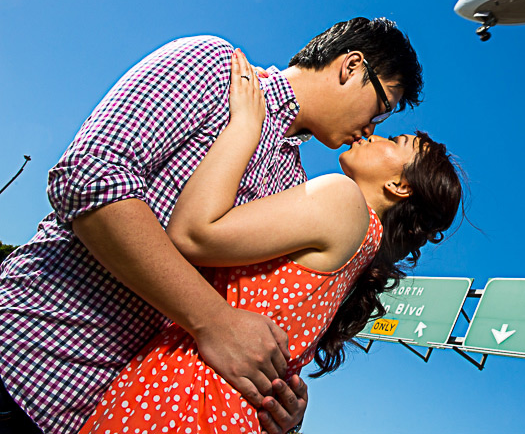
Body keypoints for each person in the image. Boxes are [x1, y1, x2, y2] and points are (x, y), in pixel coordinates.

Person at [0, 18, 422, 434]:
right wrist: (212, 320)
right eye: (382, 108)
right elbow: (88, 178)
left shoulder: (295, 185)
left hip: (110, 410)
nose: (371, 128)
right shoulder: (216, 68)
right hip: (27, 365)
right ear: (351, 68)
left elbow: (257, 322)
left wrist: (275, 399)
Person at [78, 51, 463, 433]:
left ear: (399, 186)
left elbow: (194, 233)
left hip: (185, 399)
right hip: (223, 412)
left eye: (394, 139)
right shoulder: (354, 249)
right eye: (383, 118)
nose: (373, 132)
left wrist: (245, 126)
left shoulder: (342, 201)